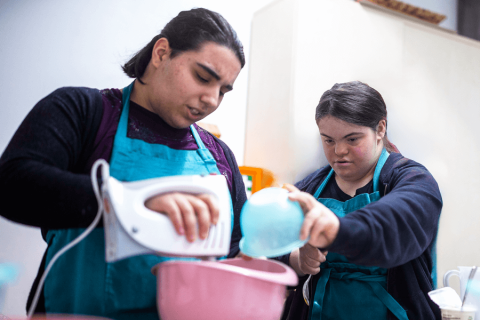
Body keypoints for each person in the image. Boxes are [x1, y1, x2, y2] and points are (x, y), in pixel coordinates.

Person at [0, 8, 247, 319]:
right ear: (161, 53)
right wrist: (130, 202)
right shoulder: (85, 113)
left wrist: (292, 244)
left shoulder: (220, 156)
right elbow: (12, 184)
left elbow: (236, 249)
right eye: (202, 77)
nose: (212, 99)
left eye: (223, 91)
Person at [278, 81, 442, 320]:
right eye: (328, 140)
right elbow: (271, 250)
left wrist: (335, 230)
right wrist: (297, 260)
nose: (339, 151)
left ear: (380, 129)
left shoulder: (414, 181)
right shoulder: (310, 188)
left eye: (352, 139)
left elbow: (394, 224)